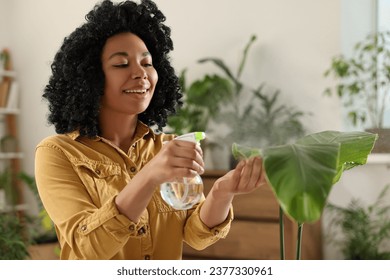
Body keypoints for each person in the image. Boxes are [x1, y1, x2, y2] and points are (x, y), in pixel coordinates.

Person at [35, 0, 266, 260]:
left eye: (147, 63)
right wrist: (149, 175)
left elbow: (195, 234)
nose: (141, 74)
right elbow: (87, 249)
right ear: (90, 78)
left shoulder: (167, 146)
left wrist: (223, 192)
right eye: (122, 64)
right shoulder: (58, 153)